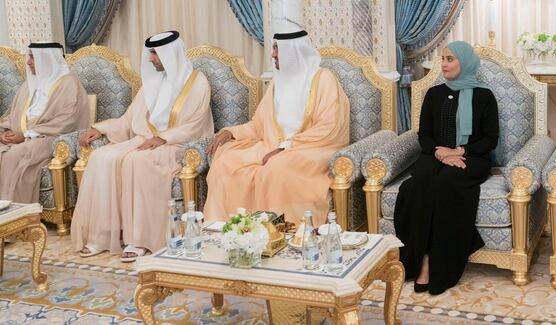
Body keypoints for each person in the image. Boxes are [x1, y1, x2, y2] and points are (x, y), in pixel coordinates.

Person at [71, 31, 213, 261]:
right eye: (151, 53)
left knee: (137, 161)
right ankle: (104, 235)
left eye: (155, 53)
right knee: (101, 157)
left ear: (170, 53)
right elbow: (128, 120)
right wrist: (102, 129)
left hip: (176, 145)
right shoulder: (151, 83)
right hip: (143, 141)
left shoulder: (197, 82)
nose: (151, 59)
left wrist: (164, 138)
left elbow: (196, 124)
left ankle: (140, 240)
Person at [204, 29, 350, 225]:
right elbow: (258, 125)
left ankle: (282, 233)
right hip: (272, 146)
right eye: (274, 48)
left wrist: (285, 148)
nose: (273, 54)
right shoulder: (277, 82)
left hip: (311, 149)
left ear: (293, 51)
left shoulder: (323, 79)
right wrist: (230, 132)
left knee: (277, 167)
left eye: (277, 49)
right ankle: (227, 230)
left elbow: (329, 127)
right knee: (225, 161)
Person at [393, 41, 498, 295]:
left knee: (445, 184)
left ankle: (433, 262)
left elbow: (490, 140)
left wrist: (459, 151)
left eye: (450, 59)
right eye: (442, 59)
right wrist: (441, 153)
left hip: (472, 157)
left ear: (465, 62)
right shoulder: (434, 94)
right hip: (436, 154)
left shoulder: (484, 96)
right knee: (417, 185)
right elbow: (425, 135)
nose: (444, 64)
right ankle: (418, 258)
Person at [0, 42, 89, 203]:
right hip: (22, 136)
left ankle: (15, 212)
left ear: (47, 59)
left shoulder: (68, 83)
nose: (28, 62)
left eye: (33, 57)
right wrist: (5, 133)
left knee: (14, 154)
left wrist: (26, 135)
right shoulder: (29, 85)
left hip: (49, 138)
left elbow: (68, 120)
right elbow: (13, 116)